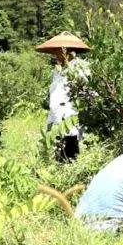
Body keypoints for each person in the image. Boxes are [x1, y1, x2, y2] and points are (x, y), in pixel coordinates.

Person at [35, 32, 91, 162]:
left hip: (70, 114)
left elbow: (85, 91)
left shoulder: (80, 68)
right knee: (58, 146)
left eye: (58, 51)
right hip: (57, 115)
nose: (55, 55)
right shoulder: (58, 70)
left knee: (70, 147)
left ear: (66, 51)